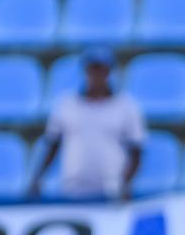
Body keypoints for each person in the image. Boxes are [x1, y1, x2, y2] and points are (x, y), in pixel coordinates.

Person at [29, 47, 146, 201]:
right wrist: (38, 177)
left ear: (109, 72)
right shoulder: (66, 104)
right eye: (93, 70)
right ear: (85, 71)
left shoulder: (126, 106)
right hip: (73, 188)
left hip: (111, 190)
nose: (97, 75)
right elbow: (53, 145)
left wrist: (124, 183)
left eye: (101, 70)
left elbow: (136, 152)